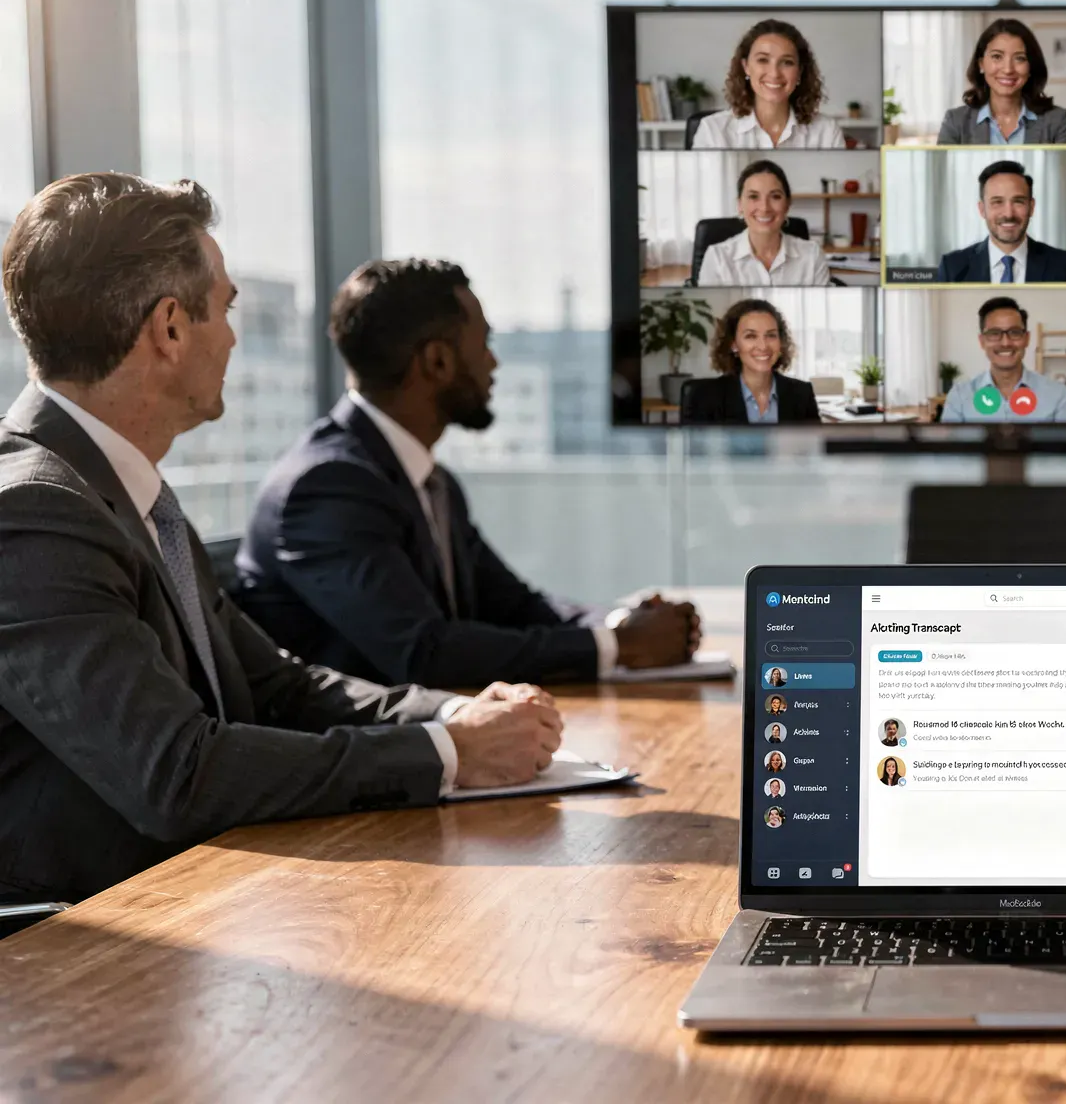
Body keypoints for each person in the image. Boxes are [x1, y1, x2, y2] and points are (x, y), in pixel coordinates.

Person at [0, 173, 563, 913]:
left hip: (198, 904)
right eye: (226, 310)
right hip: (80, 959)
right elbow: (176, 774)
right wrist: (451, 755)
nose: (233, 337)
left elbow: (277, 687)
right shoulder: (35, 510)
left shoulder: (127, 493)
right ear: (170, 329)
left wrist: (452, 717)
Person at [235, 259, 701, 689]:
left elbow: (518, 607)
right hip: (373, 764)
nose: (493, 363)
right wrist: (620, 646)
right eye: (484, 343)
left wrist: (619, 623)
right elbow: (423, 652)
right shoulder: (327, 487)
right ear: (437, 361)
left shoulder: (431, 483)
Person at [692, 19, 845, 150]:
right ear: (746, 67)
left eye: (787, 62)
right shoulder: (713, 131)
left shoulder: (827, 132)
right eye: (763, 60)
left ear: (799, 72)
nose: (774, 73)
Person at [935, 161, 1066, 284]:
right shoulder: (952, 267)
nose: (1008, 213)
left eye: (1018, 202)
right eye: (997, 202)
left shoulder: (1064, 266)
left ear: (1031, 207)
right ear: (982, 210)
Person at [682, 297, 823, 425]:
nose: (763, 346)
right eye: (750, 336)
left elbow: (814, 450)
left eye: (771, 335)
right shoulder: (704, 397)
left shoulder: (802, 394)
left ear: (781, 342)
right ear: (734, 344)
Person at [939, 296, 1066, 423]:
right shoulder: (959, 396)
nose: (1005, 343)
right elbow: (950, 449)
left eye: (1015, 332)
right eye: (994, 333)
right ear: (982, 341)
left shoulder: (1058, 395)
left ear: (1026, 339)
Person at [937, 19, 1066, 145]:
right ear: (981, 64)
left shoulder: (1056, 120)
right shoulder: (955, 121)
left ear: (1031, 66)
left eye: (1019, 58)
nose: (1008, 69)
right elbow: (943, 172)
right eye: (997, 56)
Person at [694, 160, 830, 287]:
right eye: (753, 196)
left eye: (775, 196)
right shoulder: (717, 257)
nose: (764, 208)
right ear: (740, 204)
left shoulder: (812, 255)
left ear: (787, 204)